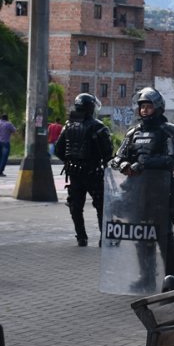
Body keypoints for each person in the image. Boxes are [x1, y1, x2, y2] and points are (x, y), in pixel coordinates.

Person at [110, 87, 174, 285]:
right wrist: (124, 164)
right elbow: (117, 157)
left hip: (160, 192)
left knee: (164, 236)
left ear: (158, 108)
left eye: (148, 107)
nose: (144, 110)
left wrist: (143, 164)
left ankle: (173, 277)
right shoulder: (133, 132)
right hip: (136, 192)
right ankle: (146, 276)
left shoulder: (169, 131)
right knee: (141, 236)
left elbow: (171, 159)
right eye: (142, 107)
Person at [55, 93, 113, 246]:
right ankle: (103, 239)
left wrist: (71, 162)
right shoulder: (98, 126)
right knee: (101, 206)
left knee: (75, 206)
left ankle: (81, 237)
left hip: (74, 173)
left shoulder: (68, 125)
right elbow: (108, 153)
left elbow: (58, 150)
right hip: (93, 172)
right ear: (91, 107)